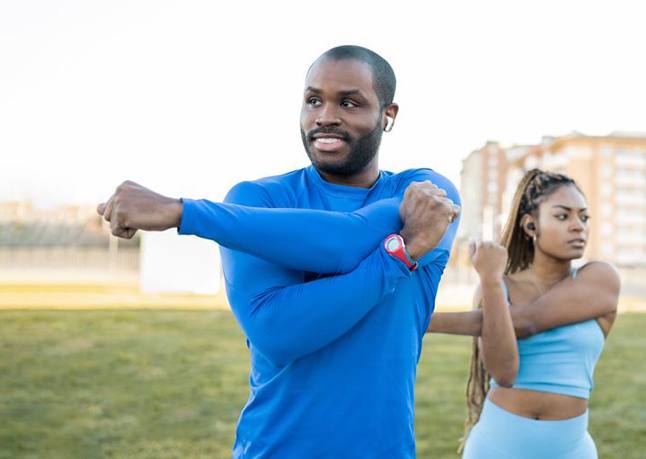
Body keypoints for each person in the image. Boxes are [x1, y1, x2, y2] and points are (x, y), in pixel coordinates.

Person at [97, 45, 461, 458]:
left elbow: (344, 242)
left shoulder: (428, 195)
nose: (325, 116)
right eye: (313, 100)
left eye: (349, 102)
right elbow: (279, 332)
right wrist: (400, 254)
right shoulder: (257, 200)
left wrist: (183, 213)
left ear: (388, 116)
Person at [428, 169, 621, 458]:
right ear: (531, 226)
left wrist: (421, 321)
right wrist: (491, 282)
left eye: (584, 216)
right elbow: (505, 373)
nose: (578, 226)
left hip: (570, 449)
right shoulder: (496, 288)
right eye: (562, 215)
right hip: (496, 446)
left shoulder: (600, 278)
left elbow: (527, 321)